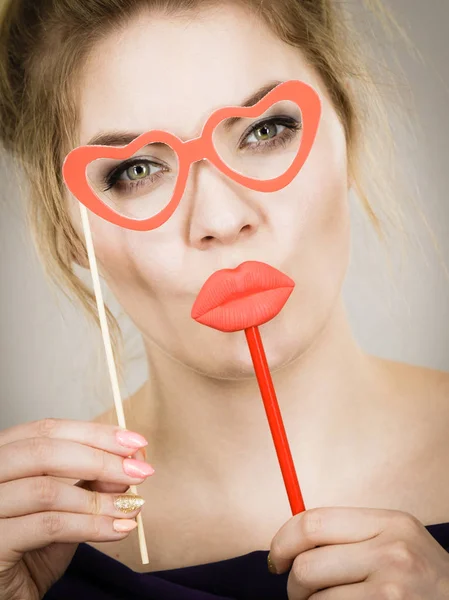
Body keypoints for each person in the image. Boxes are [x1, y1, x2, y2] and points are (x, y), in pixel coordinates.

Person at [0, 0, 448, 598]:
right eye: (134, 170)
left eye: (266, 131)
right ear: (66, 229)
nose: (220, 217)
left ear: (350, 133)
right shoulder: (31, 553)